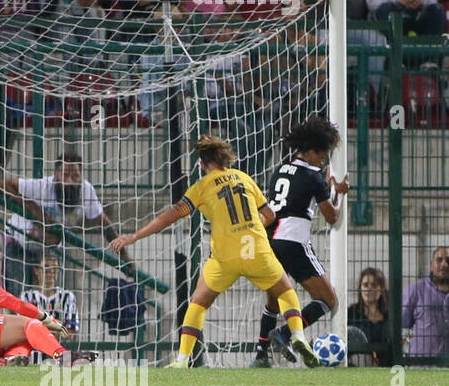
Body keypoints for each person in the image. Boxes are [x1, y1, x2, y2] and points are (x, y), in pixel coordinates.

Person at [109, 134, 316, 368]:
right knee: (286, 292)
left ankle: (181, 360)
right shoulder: (244, 178)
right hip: (257, 250)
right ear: (225, 159)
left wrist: (135, 236)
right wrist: (252, 222)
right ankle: (297, 335)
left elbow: (172, 215)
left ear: (202, 164)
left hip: (225, 257)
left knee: (197, 303)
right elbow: (269, 216)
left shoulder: (201, 187)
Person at [253, 116, 352, 367]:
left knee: (273, 301)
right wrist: (337, 194)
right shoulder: (314, 177)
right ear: (310, 151)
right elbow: (332, 217)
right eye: (321, 153)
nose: (323, 159)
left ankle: (261, 354)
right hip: (293, 242)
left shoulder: (281, 169)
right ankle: (285, 334)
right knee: (328, 300)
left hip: (269, 242)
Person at [0, 149, 127, 295]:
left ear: (81, 177)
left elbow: (105, 224)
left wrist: (125, 256)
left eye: (75, 176)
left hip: (50, 247)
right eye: (65, 175)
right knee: (18, 295)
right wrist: (37, 212)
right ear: (56, 176)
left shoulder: (86, 191)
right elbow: (0, 185)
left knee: (54, 295)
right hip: (18, 243)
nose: (70, 181)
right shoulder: (43, 186)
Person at [19, 254, 87, 364]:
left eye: (54, 268)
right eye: (46, 267)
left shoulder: (67, 297)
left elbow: (70, 333)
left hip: (59, 356)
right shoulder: (27, 297)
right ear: (36, 271)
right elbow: (22, 330)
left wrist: (40, 330)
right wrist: (57, 328)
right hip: (34, 357)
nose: (51, 272)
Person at [403, 245, 449, 358]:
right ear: (431, 265)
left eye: (448, 261)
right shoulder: (415, 290)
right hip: (422, 366)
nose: (445, 264)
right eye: (439, 260)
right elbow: (401, 323)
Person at [347, 266, 391, 365]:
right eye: (365, 285)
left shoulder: (390, 315)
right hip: (358, 366)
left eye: (374, 285)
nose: (369, 289)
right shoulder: (351, 313)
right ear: (360, 288)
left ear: (381, 288)